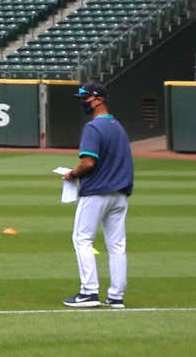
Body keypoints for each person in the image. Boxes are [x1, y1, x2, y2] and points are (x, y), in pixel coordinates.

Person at [61, 80, 132, 309]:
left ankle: (89, 292)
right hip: (119, 194)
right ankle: (116, 296)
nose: (83, 103)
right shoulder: (118, 126)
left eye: (86, 99)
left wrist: (72, 173)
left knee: (82, 239)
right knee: (117, 245)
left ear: (99, 99)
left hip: (97, 193)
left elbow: (88, 161)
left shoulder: (93, 127)